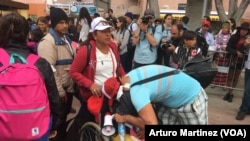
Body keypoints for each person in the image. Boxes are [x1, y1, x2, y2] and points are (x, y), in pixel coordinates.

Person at [0, 12, 62, 140]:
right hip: (38, 130)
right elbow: (54, 99)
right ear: (27, 34)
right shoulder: (40, 63)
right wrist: (54, 125)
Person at [111, 65, 208, 135]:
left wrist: (125, 118)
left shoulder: (137, 93)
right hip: (169, 102)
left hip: (191, 99)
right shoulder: (127, 78)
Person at [69, 17, 126, 126]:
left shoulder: (113, 47)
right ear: (94, 35)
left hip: (111, 94)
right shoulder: (86, 50)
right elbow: (73, 72)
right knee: (90, 123)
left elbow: (118, 66)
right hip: (93, 97)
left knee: (109, 124)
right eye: (103, 31)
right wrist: (90, 85)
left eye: (109, 31)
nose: (108, 34)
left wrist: (125, 79)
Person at [37, 7, 76, 141]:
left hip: (68, 86)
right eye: (61, 22)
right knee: (57, 122)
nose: (65, 25)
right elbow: (49, 69)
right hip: (59, 91)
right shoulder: (48, 42)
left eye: (66, 22)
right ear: (53, 24)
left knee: (63, 119)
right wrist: (59, 90)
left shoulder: (66, 39)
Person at [223, 22, 250, 102]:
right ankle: (229, 92)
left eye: (245, 30)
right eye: (242, 30)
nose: (243, 31)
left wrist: (245, 45)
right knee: (230, 76)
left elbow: (245, 51)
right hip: (232, 58)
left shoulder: (248, 40)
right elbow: (228, 48)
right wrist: (236, 52)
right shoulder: (233, 37)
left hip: (241, 61)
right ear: (240, 30)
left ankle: (231, 93)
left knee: (236, 77)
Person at [236, 34, 250, 120]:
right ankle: (248, 108)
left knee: (248, 91)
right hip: (248, 67)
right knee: (247, 89)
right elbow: (243, 52)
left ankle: (243, 110)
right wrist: (245, 44)